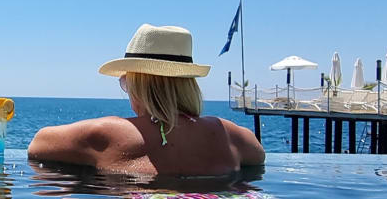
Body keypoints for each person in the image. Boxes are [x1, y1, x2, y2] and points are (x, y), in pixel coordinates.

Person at [28, 24, 265, 175]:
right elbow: (259, 156)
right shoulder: (232, 136)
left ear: (139, 86)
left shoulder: (110, 133)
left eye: (126, 82)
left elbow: (38, 143)